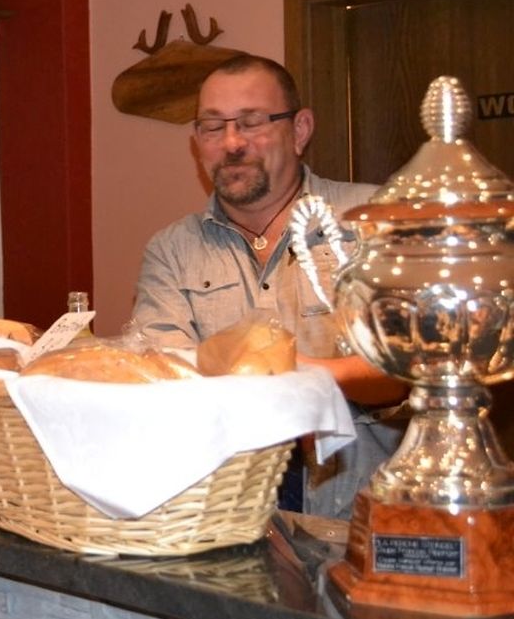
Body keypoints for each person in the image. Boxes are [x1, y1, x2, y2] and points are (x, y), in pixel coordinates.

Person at [130, 54, 408, 521]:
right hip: (224, 518)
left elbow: (408, 368)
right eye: (213, 127)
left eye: (252, 122)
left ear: (299, 130)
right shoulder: (172, 251)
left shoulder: (374, 220)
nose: (232, 143)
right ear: (197, 143)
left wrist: (304, 375)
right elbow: (163, 380)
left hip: (366, 521)